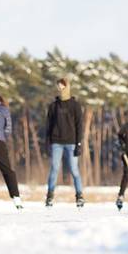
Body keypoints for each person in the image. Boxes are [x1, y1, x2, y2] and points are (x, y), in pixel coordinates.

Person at [45, 78, 85, 207]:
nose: (60, 89)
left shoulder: (75, 105)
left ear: (67, 87)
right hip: (56, 142)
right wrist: (47, 142)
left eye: (62, 86)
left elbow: (79, 125)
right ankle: (50, 196)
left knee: (74, 170)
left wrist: (79, 143)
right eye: (58, 87)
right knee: (54, 169)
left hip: (71, 142)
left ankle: (79, 196)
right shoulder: (53, 106)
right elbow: (49, 126)